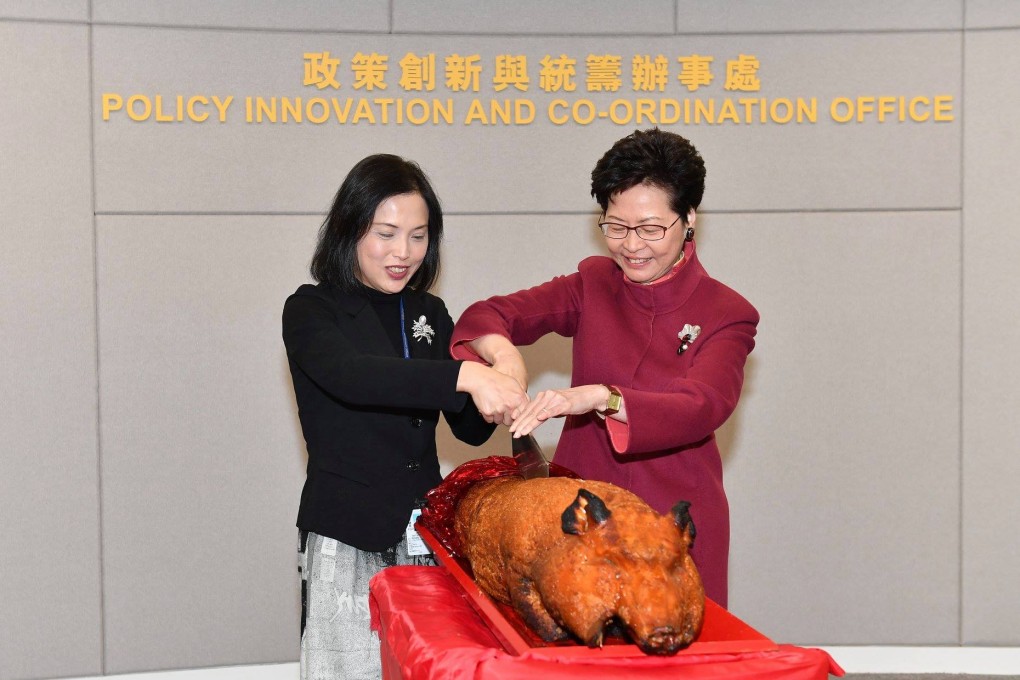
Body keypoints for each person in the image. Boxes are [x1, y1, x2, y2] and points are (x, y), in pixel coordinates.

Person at [450, 128, 758, 608]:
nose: (632, 245)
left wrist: (601, 397)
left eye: (651, 229)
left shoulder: (727, 312)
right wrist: (504, 358)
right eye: (615, 226)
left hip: (674, 525)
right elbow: (490, 315)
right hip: (585, 519)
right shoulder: (592, 284)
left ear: (689, 218)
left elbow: (702, 405)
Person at [283, 154, 528, 679]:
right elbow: (354, 376)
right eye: (386, 234)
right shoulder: (311, 310)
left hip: (424, 537)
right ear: (349, 228)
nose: (404, 253)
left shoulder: (426, 313)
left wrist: (498, 386)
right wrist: (465, 376)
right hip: (348, 532)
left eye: (418, 236)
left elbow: (467, 427)